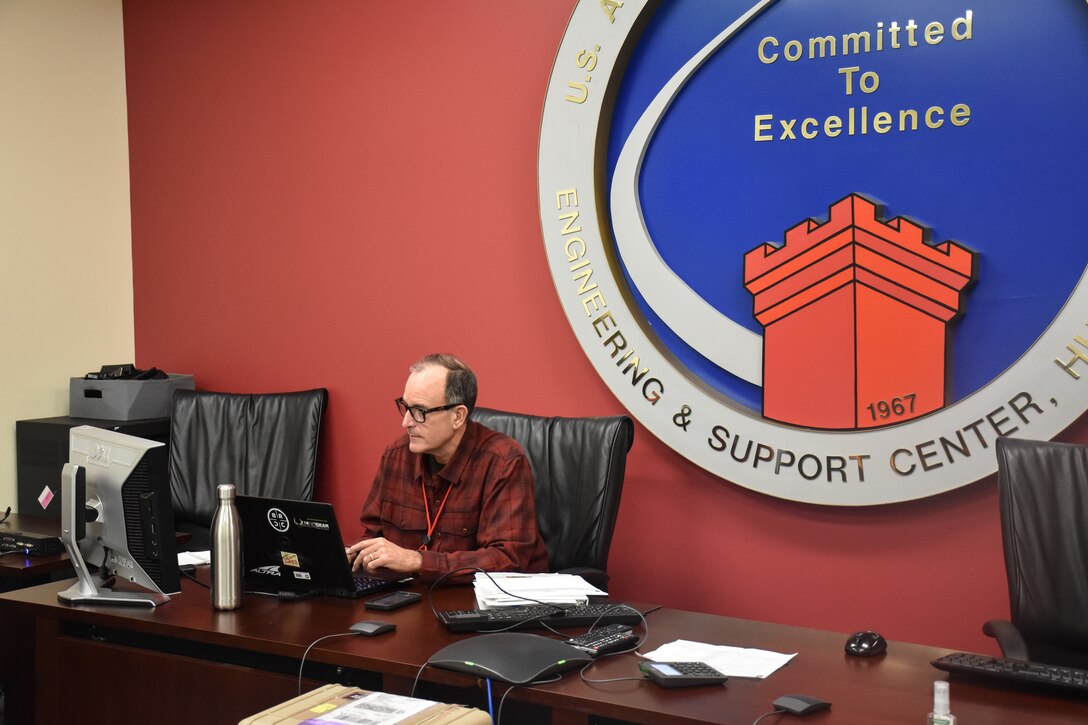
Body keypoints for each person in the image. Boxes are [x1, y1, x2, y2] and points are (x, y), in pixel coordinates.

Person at [347, 353, 549, 583]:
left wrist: (418, 561)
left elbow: (507, 560)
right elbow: (373, 534)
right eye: (405, 407)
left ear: (458, 416)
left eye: (420, 411)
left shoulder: (503, 463)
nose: (406, 423)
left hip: (480, 607)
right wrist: (347, 555)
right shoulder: (397, 455)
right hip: (408, 598)